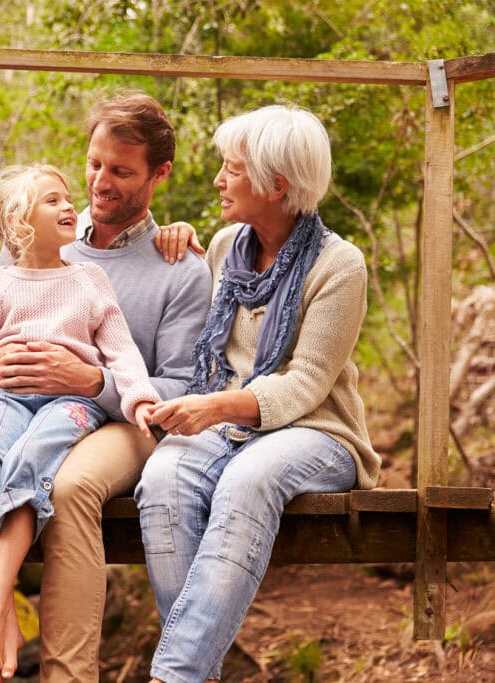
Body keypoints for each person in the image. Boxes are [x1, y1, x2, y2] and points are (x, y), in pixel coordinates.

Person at [0, 91, 213, 682]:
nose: (99, 183)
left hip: (118, 422)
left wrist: (90, 381)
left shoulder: (179, 267)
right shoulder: (39, 236)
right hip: (16, 409)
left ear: (160, 174)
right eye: (94, 164)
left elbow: (179, 384)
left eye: (121, 171)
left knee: (73, 485)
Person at [134, 105, 381, 683]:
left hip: (319, 431)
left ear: (277, 184)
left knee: (249, 480)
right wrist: (173, 236)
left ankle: (175, 675)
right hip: (231, 429)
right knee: (163, 477)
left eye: (233, 170)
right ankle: (201, 672)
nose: (219, 181)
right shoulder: (224, 247)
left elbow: (305, 384)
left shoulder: (340, 264)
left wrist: (213, 406)